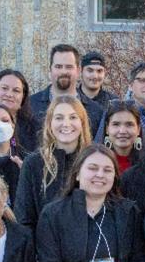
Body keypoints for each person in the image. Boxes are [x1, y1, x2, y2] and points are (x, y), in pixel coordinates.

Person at [14, 95, 93, 228]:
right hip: (43, 246)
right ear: (50, 123)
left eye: (73, 117)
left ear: (82, 123)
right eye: (59, 118)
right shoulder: (33, 164)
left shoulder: (93, 162)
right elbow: (24, 218)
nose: (66, 124)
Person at [27, 44, 104, 149]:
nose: (63, 71)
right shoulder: (30, 106)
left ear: (78, 71)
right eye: (58, 67)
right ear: (50, 70)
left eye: (69, 67)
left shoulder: (96, 111)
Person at [99, 100, 143, 173]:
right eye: (116, 124)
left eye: (129, 124)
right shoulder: (95, 161)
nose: (122, 131)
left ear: (138, 129)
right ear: (107, 128)